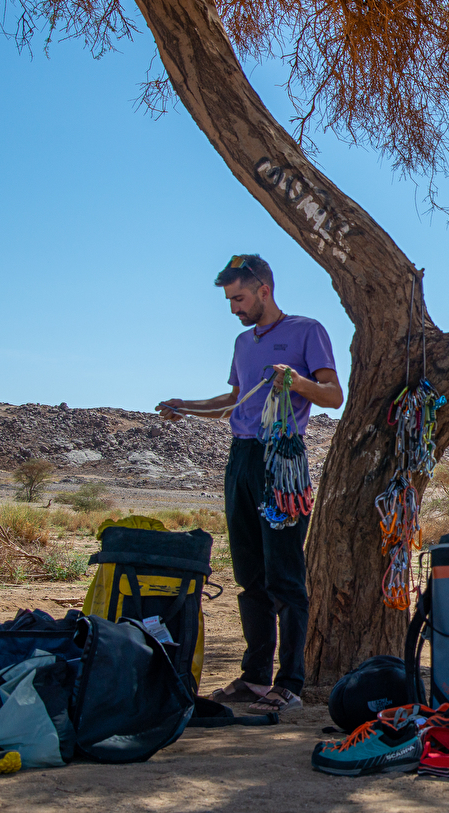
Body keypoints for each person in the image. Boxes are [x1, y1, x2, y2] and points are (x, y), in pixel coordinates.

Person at [157, 254, 343, 713]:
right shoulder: (243, 343)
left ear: (263, 290)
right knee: (249, 575)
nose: (234, 309)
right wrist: (187, 405)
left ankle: (290, 684)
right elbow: (234, 401)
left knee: (284, 574)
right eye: (229, 300)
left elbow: (333, 395)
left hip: (282, 460)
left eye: (238, 298)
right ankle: (255, 677)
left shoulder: (307, 330)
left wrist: (295, 381)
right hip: (240, 460)